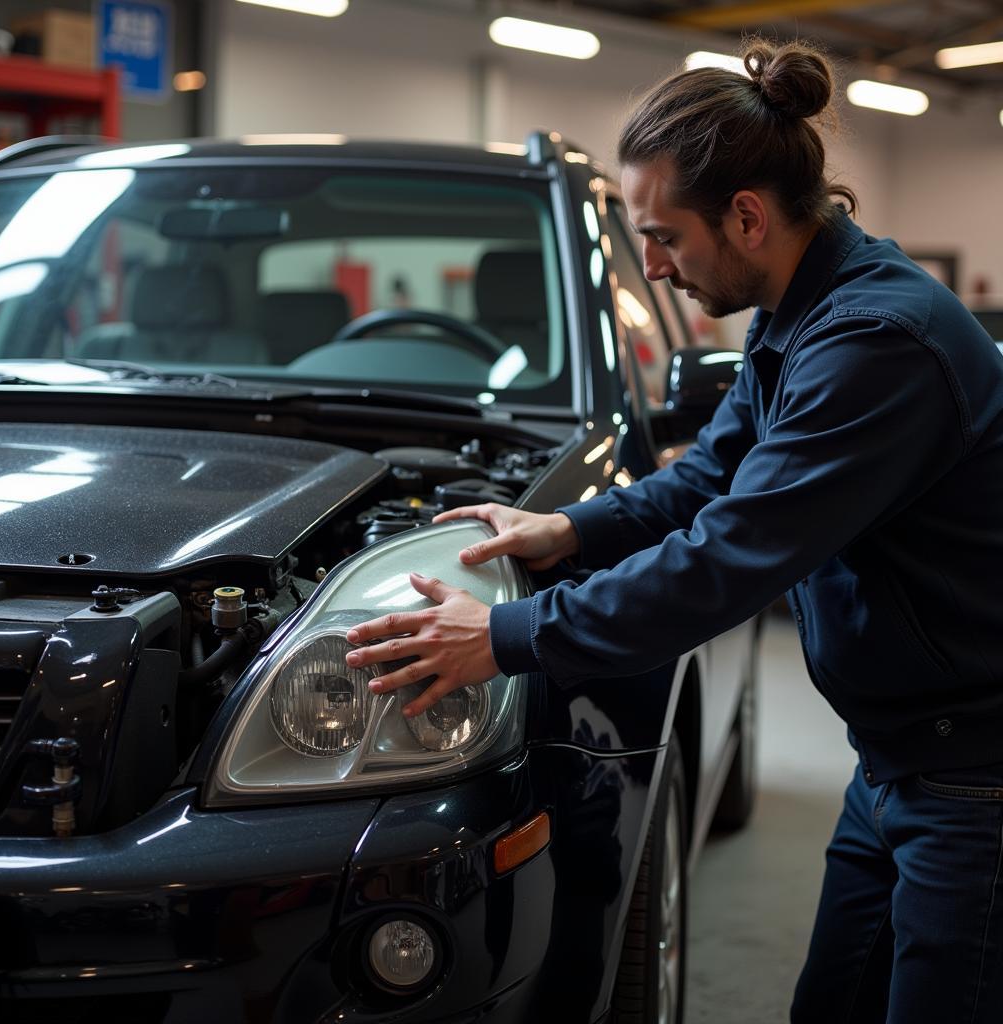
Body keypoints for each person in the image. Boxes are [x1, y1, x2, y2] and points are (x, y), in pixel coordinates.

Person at [345, 39, 1003, 1022]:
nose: (650, 265)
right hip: (900, 760)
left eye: (661, 237)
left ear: (745, 216)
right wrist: (561, 527)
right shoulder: (798, 316)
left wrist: (504, 638)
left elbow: (729, 557)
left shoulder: (876, 343)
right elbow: (707, 477)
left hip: (973, 779)